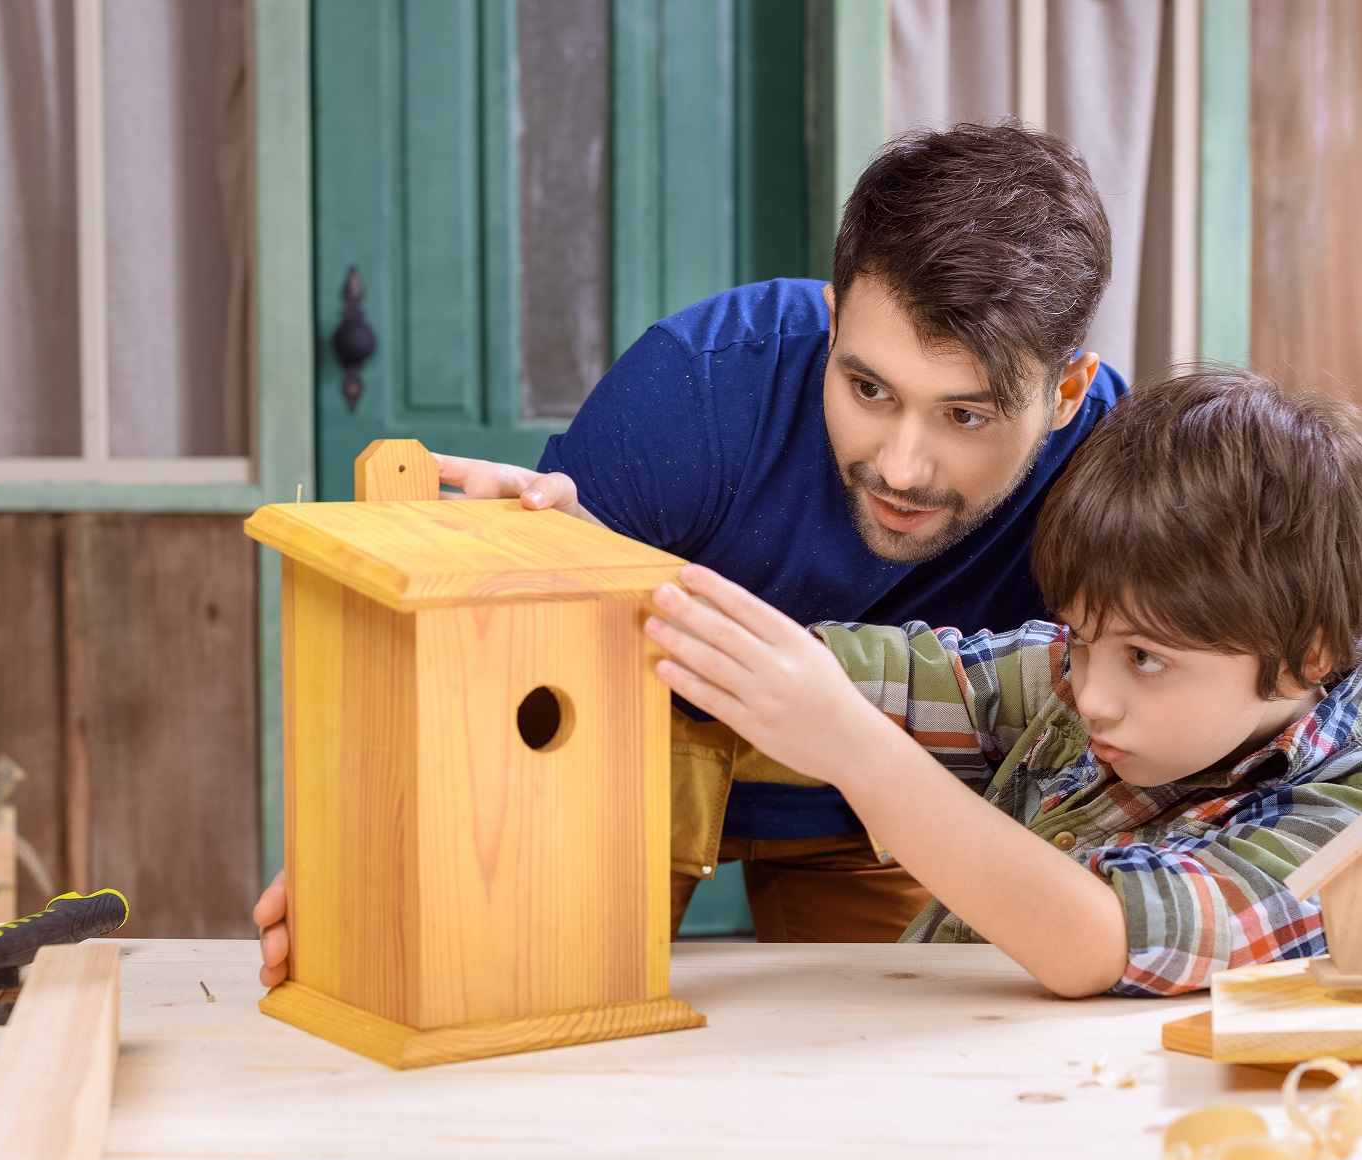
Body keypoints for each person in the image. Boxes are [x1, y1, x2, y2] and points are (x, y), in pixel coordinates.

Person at [257, 120, 1123, 985]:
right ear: (831, 317)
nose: (901, 466)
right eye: (868, 389)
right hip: (615, 764)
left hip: (893, 799)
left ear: (1065, 393)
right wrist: (374, 837)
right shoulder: (697, 387)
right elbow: (496, 661)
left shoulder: (1120, 472)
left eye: (964, 416)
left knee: (903, 1045)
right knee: (507, 995)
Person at [638, 370, 1362, 996]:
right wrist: (597, 576)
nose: (1092, 692)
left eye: (1145, 657)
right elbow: (880, 673)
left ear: (1305, 656)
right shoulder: (1095, 682)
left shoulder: (1351, 831)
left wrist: (856, 753)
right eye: (1080, 636)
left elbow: (1095, 938)